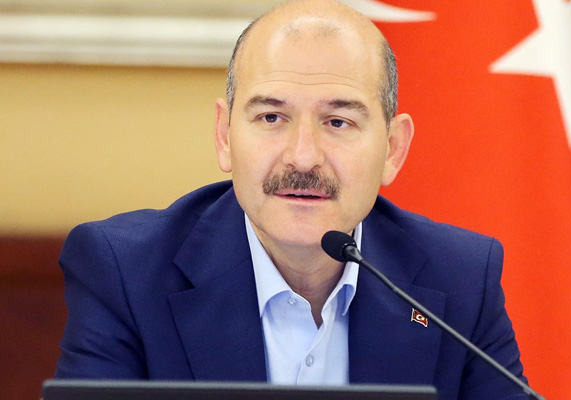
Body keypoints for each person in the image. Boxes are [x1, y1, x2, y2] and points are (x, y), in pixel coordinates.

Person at [54, 0, 528, 399]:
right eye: (271, 118)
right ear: (224, 136)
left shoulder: (461, 279)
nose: (303, 157)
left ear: (392, 149)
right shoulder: (124, 273)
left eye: (338, 122)